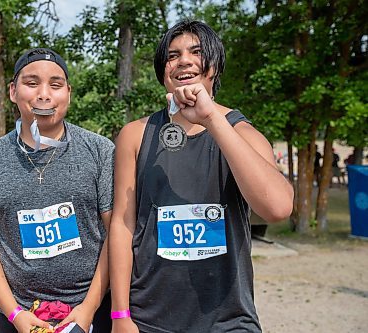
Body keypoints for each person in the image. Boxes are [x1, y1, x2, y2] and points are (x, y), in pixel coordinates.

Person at [108, 20, 294, 333]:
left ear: (214, 65)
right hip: (149, 319)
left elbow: (277, 209)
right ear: (162, 70)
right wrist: (120, 315)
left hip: (227, 320)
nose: (184, 60)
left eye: (196, 52)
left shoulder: (243, 133)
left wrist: (210, 117)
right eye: (172, 55)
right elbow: (122, 226)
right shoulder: (135, 136)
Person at [0, 48, 114, 333]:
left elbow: (115, 234)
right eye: (32, 83)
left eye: (55, 85)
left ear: (68, 92)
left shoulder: (100, 151)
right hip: (18, 312)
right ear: (12, 91)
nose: (44, 94)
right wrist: (15, 313)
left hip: (92, 311)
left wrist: (89, 309)